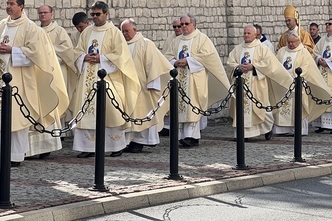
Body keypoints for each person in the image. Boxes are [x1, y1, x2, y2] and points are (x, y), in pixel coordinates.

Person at [0, 0, 69, 166]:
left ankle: (14, 156)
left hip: (18, 83)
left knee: (16, 118)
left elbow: (36, 54)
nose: (8, 6)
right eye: (7, 3)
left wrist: (13, 50)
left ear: (21, 6)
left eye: (12, 4)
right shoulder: (0, 26)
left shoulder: (31, 28)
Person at [71, 1, 140, 157]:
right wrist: (84, 57)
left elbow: (121, 55)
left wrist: (102, 58)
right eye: (93, 14)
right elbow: (76, 51)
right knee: (86, 110)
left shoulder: (114, 32)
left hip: (107, 78)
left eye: (98, 14)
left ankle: (116, 145)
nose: (95, 17)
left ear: (106, 14)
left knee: (112, 111)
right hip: (87, 78)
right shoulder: (87, 32)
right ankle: (88, 147)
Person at [164, 14, 230, 147]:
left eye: (186, 24)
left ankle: (192, 137)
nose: (183, 26)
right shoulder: (176, 41)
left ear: (193, 24)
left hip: (194, 80)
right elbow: (167, 56)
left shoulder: (202, 39)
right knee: (180, 108)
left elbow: (208, 57)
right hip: (179, 79)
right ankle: (181, 136)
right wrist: (175, 62)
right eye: (181, 24)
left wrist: (188, 61)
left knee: (191, 108)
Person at [226, 25, 293, 139]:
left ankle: (267, 128)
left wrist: (254, 66)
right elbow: (229, 63)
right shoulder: (238, 49)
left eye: (248, 33)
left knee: (261, 108)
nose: (246, 35)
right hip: (241, 85)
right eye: (245, 33)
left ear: (255, 35)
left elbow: (269, 64)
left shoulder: (262, 48)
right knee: (242, 108)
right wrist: (238, 66)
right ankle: (243, 134)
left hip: (257, 84)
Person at [29, 5, 78, 159]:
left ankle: (53, 138)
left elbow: (68, 51)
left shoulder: (59, 31)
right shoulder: (34, 31)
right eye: (40, 13)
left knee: (52, 105)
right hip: (38, 74)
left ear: (51, 14)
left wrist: (49, 52)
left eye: (45, 13)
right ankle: (37, 144)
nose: (42, 15)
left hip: (56, 72)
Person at [120, 18, 172, 153]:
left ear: (135, 30)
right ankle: (128, 141)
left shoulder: (145, 44)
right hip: (126, 85)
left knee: (142, 113)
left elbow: (152, 64)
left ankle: (140, 141)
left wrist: (152, 83)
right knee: (128, 113)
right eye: (122, 31)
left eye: (127, 31)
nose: (124, 34)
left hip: (142, 86)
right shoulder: (121, 45)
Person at [273, 31, 331, 136]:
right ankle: (281, 129)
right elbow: (276, 65)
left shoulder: (303, 52)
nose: (290, 44)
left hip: (298, 84)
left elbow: (306, 67)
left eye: (293, 42)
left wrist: (296, 77)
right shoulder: (281, 51)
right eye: (288, 42)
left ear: (298, 41)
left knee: (298, 106)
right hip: (282, 84)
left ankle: (298, 129)